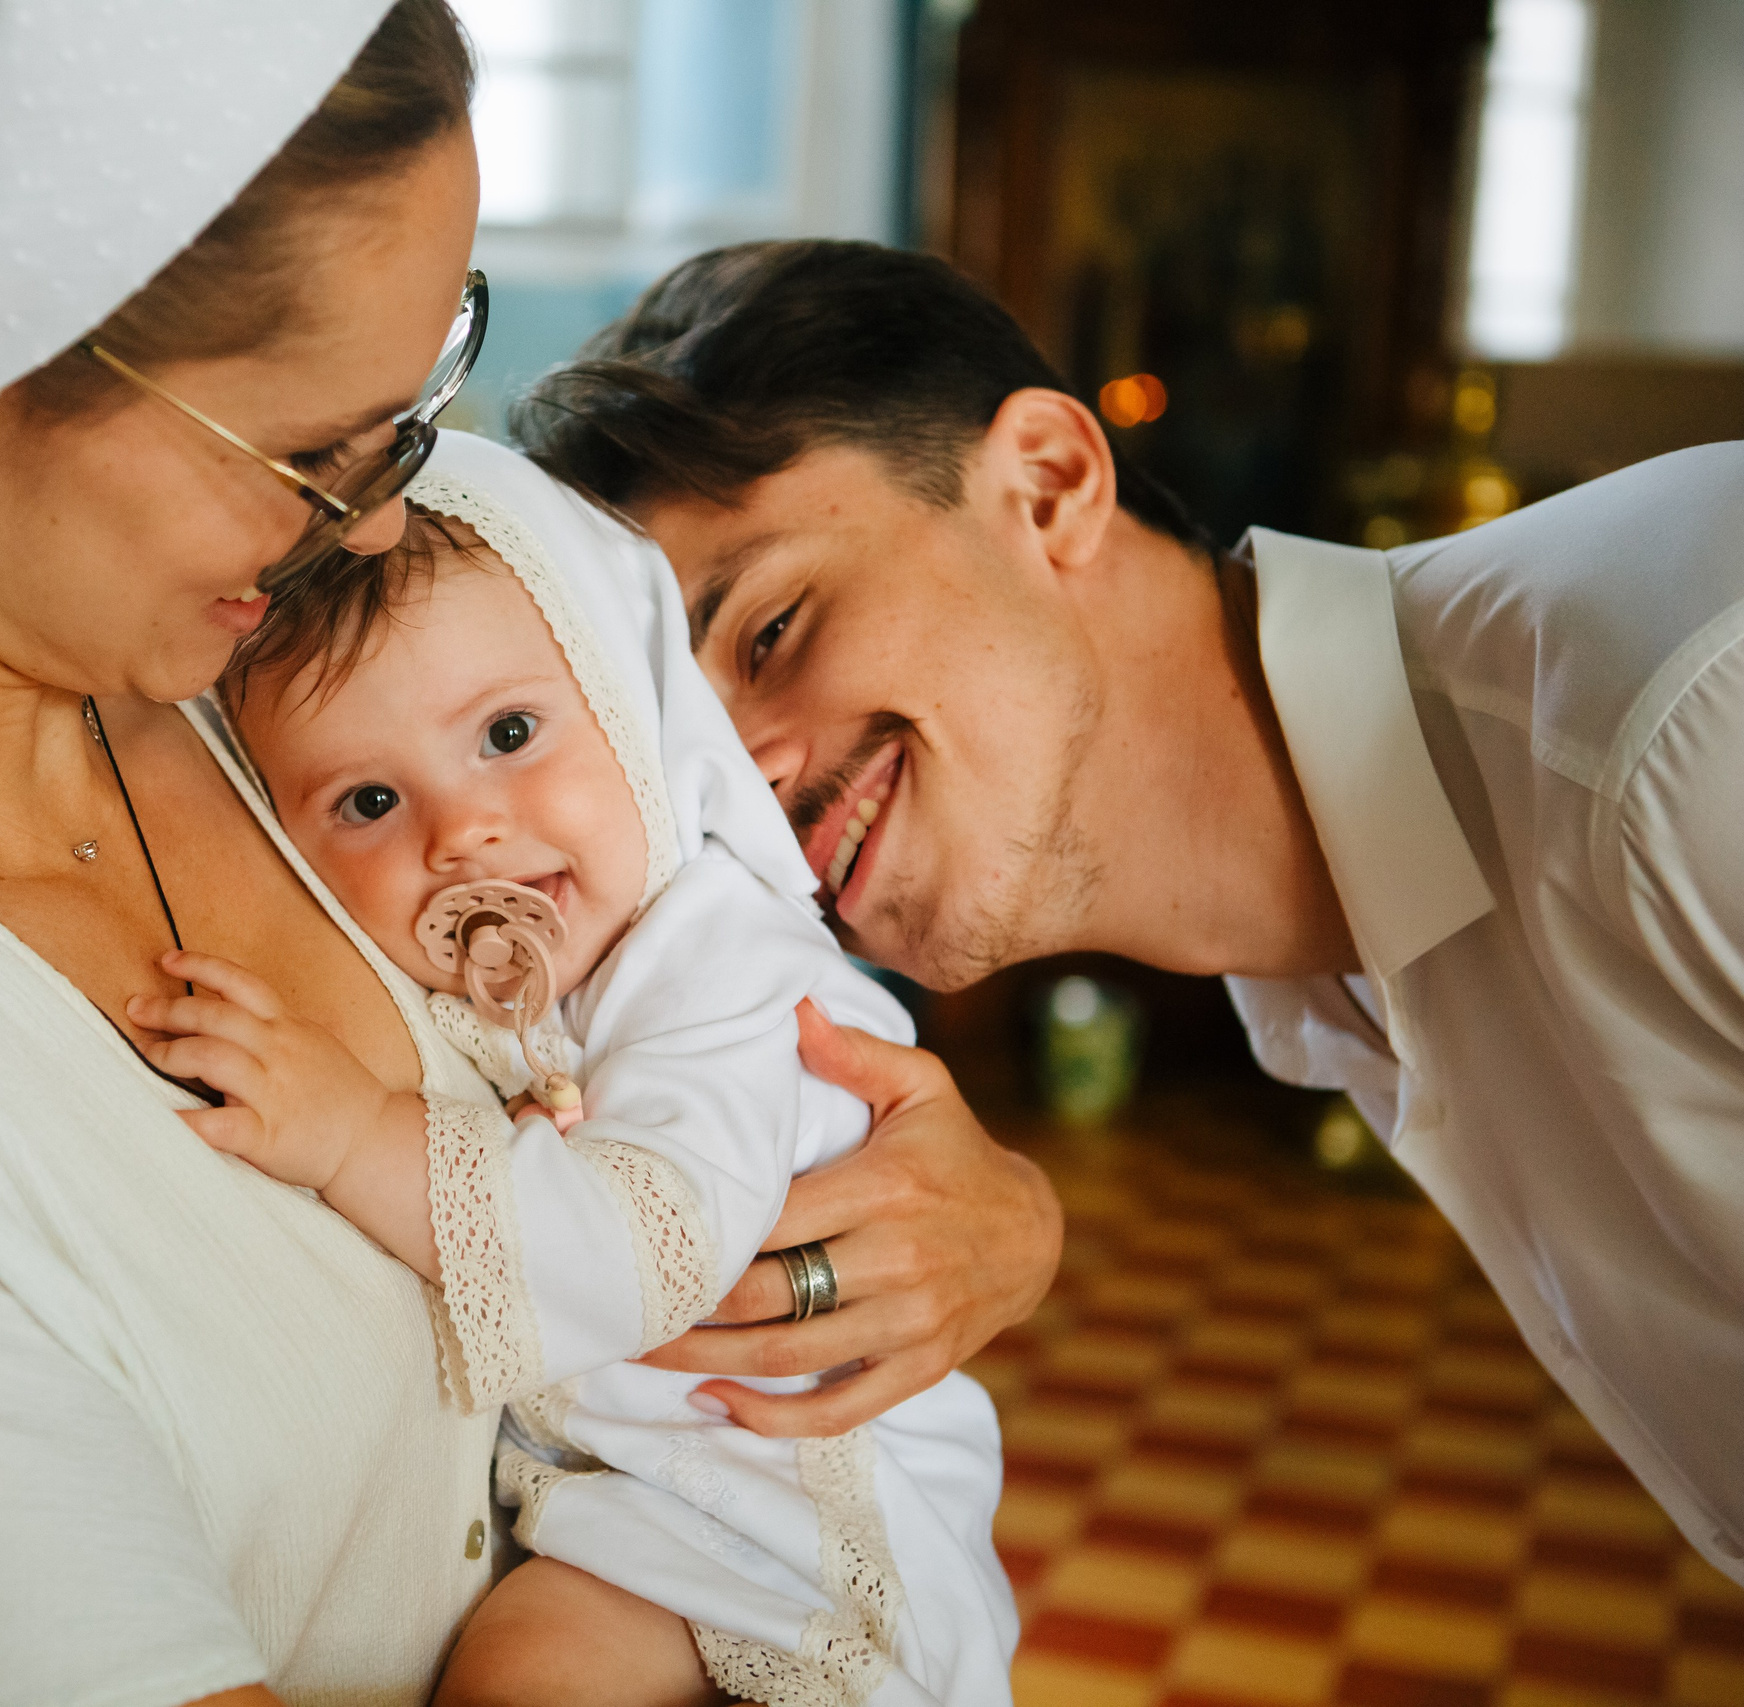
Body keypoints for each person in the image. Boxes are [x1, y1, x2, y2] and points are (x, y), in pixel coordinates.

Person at [0, 9, 1056, 1703]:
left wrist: (987, 1216)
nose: (379, 522)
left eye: (421, 400)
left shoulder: (427, 565)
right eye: (306, 452)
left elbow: (780, 978)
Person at [516, 238, 1744, 1583]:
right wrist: (1019, 1211)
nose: (742, 792)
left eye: (770, 632)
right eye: (684, 755)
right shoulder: (1322, 982)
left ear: (1049, 485)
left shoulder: (1678, 722)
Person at [156, 430, 1018, 1706]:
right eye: (368, 805)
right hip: (644, 1510)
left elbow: (656, 1243)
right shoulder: (501, 993)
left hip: (804, 1521)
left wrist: (351, 1137)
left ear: (630, 707)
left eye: (508, 730)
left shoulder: (722, 967)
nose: (465, 829)